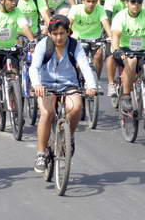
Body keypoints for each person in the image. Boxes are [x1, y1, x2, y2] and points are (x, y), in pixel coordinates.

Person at [29, 15, 98, 172]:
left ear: (68, 32)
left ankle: (68, 137)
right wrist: (37, 84)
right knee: (47, 113)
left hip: (68, 84)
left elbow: (85, 66)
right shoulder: (43, 45)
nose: (59, 37)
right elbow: (34, 67)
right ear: (50, 34)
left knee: (76, 107)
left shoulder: (75, 46)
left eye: (62, 33)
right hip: (46, 85)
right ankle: (41, 154)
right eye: (55, 34)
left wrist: (91, 86)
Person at [68, 0, 112, 79]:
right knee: (79, 62)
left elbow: (105, 23)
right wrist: (67, 36)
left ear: (96, 1)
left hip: (96, 39)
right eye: (88, 1)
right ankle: (77, 80)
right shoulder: (75, 9)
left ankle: (96, 80)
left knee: (99, 55)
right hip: (78, 39)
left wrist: (111, 37)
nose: (91, 4)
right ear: (83, 0)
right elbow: (68, 24)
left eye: (93, 1)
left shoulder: (100, 9)